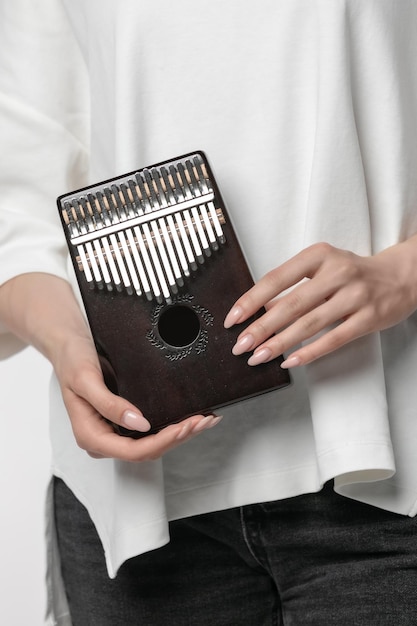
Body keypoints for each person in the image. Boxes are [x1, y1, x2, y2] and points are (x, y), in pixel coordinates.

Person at [1, 0, 417, 624]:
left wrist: (404, 273)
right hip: (141, 498)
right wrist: (70, 351)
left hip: (387, 468)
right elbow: (19, 207)